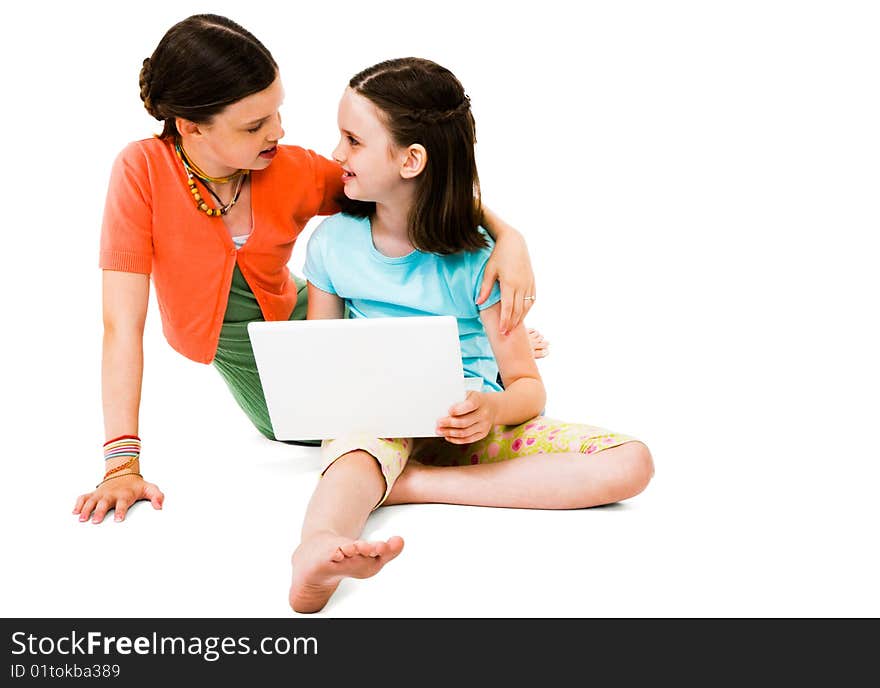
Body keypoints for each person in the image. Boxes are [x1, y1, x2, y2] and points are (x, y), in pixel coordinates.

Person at [72, 15, 543, 525]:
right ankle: (464, 372)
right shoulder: (140, 172)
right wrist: (122, 462)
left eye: (277, 111)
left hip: (326, 320)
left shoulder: (288, 166)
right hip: (258, 350)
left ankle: (478, 354)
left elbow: (414, 189)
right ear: (190, 126)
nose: (278, 131)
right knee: (306, 425)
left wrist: (508, 237)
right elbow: (122, 327)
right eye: (254, 125)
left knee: (395, 410)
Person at [290, 58, 655, 613]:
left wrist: (491, 408)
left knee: (632, 464)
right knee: (351, 461)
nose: (336, 154)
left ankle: (413, 484)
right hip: (376, 424)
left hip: (470, 426)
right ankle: (314, 551)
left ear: (412, 160)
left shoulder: (479, 260)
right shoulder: (330, 244)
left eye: (352, 140)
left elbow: (529, 389)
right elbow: (323, 358)